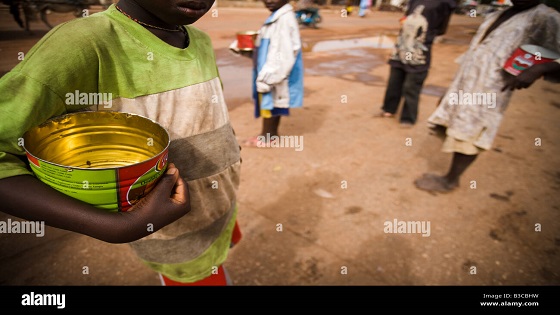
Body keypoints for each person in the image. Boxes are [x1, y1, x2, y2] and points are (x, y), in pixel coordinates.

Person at [0, 0, 242, 286]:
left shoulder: (199, 40)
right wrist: (116, 227)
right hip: (177, 238)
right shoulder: (82, 44)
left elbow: (207, 109)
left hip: (223, 207)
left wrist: (231, 146)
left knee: (223, 251)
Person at [414, 0, 560, 193]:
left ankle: (450, 180)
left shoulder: (545, 17)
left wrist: (538, 68)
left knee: (472, 132)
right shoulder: (499, 14)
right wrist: (451, 91)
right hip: (467, 84)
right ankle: (450, 177)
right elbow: (477, 53)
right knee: (457, 125)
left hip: (491, 90)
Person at [375, 0, 456, 127]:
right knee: (394, 79)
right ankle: (388, 109)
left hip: (419, 49)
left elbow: (441, 29)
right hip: (401, 47)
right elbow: (405, 17)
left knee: (411, 84)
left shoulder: (445, 3)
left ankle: (408, 117)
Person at [242, 0, 304, 147]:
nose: (269, 0)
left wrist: (268, 78)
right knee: (273, 102)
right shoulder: (277, 16)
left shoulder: (283, 19)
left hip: (275, 72)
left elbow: (283, 53)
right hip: (273, 71)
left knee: (269, 102)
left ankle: (267, 137)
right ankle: (271, 136)